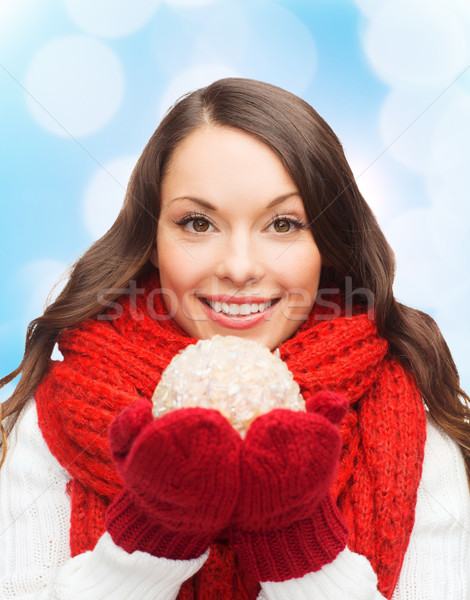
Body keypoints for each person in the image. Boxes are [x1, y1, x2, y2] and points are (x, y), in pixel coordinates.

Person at [0, 77, 469, 600]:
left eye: (284, 224)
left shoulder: (418, 436)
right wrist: (155, 533)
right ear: (153, 240)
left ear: (328, 245)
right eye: (198, 222)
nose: (240, 267)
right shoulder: (50, 424)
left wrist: (297, 541)